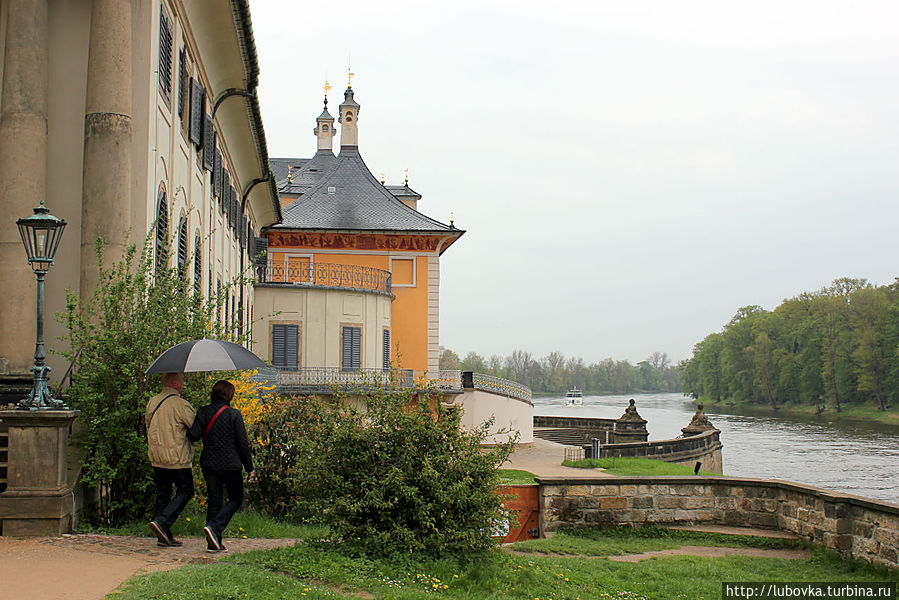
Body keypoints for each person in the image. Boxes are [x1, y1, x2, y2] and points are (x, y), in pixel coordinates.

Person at [189, 380, 254, 552]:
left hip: (209, 463)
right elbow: (242, 444)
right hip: (231, 465)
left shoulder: (203, 412)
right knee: (236, 498)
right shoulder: (234, 414)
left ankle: (213, 542)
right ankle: (215, 528)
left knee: (214, 500)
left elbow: (194, 435)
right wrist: (249, 467)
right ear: (229, 396)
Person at [145, 372, 195, 547]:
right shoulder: (181, 405)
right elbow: (193, 428)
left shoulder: (153, 401)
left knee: (163, 494)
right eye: (181, 380)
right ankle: (163, 522)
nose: (182, 384)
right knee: (186, 490)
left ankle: (164, 535)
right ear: (175, 383)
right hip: (177, 456)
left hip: (157, 456)